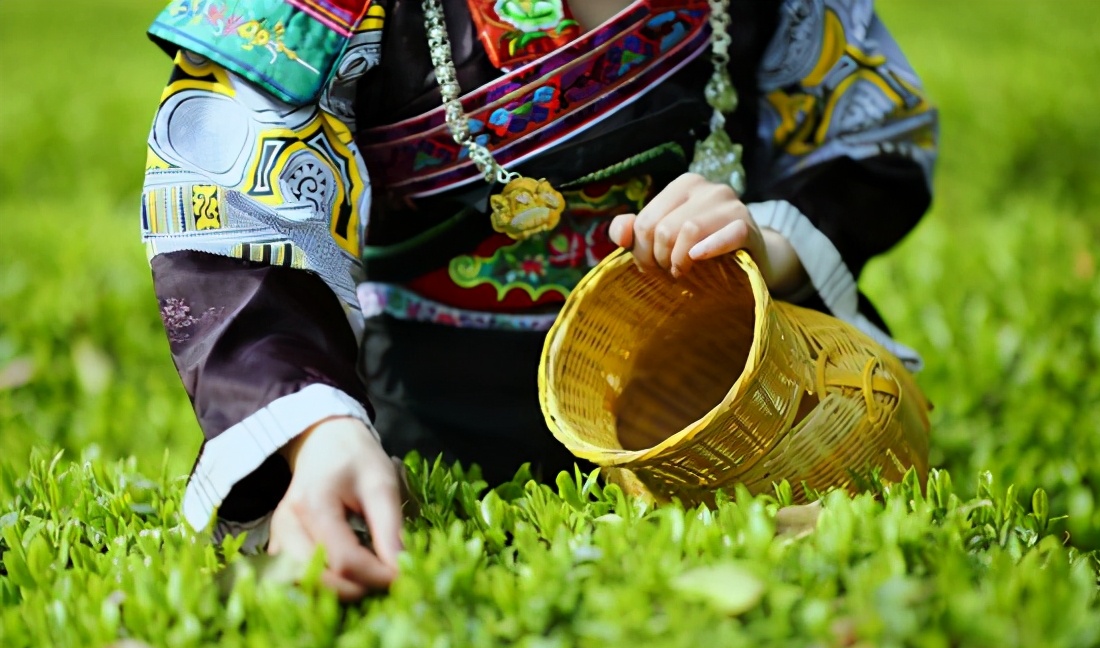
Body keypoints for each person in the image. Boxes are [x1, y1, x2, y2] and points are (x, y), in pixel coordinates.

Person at [141, 0, 937, 599]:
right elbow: (229, 212)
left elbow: (870, 142)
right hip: (429, 401)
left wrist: (764, 242)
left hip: (733, 394)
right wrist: (316, 435)